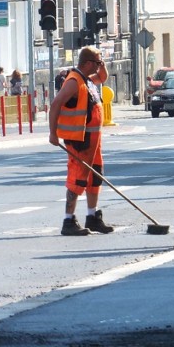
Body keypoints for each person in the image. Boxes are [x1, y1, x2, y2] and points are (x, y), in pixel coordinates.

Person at [48, 46, 113, 236]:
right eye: (96, 63)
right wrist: (53, 134)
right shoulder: (74, 82)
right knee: (77, 179)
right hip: (79, 141)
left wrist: (102, 62)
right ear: (86, 63)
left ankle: (92, 217)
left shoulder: (88, 81)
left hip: (93, 142)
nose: (99, 66)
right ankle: (68, 220)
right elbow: (55, 104)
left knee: (95, 177)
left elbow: (103, 78)